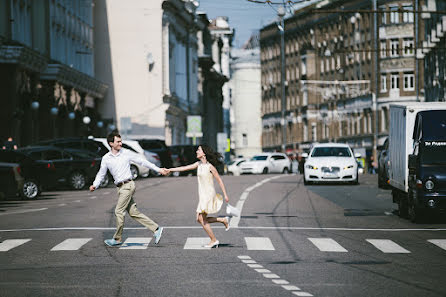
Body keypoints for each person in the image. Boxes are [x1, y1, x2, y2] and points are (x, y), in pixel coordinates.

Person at [89, 131, 169, 247]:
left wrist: (158, 169)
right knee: (133, 213)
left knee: (118, 211)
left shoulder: (126, 153)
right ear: (111, 143)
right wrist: (95, 185)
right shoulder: (106, 158)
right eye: (118, 141)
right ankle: (156, 229)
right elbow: (101, 173)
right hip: (120, 188)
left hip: (128, 185)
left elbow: (143, 161)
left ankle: (117, 239)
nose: (121, 143)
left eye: (121, 141)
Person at [167, 145, 230, 249]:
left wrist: (225, 194)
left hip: (208, 194)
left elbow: (219, 180)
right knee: (200, 219)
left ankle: (214, 240)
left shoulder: (210, 167)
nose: (196, 151)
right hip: (203, 195)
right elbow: (184, 168)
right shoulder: (198, 164)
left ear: (204, 153)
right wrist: (170, 169)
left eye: (199, 150)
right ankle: (222, 220)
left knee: (201, 218)